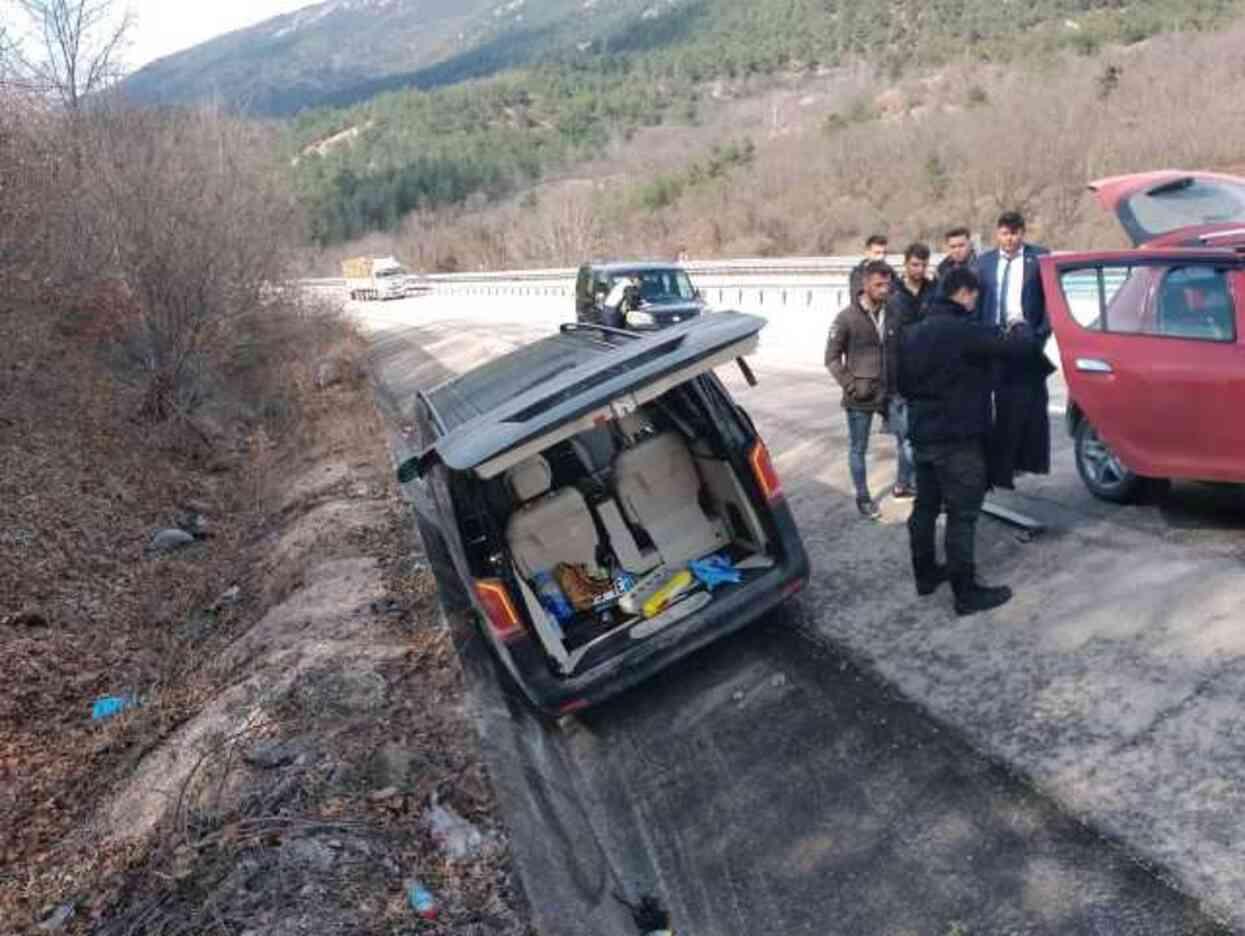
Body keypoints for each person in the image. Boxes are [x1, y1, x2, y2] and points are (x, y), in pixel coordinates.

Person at [898, 266, 1042, 615]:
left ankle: (926, 574)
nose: (975, 302)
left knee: (926, 507)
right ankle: (966, 593)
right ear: (963, 293)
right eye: (974, 296)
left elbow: (900, 384)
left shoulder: (912, 333)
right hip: (958, 439)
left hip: (922, 435)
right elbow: (1019, 349)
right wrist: (1019, 325)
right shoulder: (963, 331)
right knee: (963, 515)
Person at [826, 260, 893, 519]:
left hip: (891, 392)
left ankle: (906, 485)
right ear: (865, 285)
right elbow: (831, 359)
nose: (884, 290)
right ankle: (863, 497)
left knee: (909, 441)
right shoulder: (846, 318)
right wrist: (852, 386)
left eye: (887, 284)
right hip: (861, 395)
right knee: (858, 449)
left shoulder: (892, 312)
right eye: (878, 285)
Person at [882, 242, 936, 499]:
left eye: (924, 264)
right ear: (905, 264)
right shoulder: (893, 296)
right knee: (906, 438)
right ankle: (914, 484)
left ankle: (903, 483)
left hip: (929, 374)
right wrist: (890, 388)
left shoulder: (933, 292)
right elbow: (889, 345)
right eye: (915, 264)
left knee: (922, 436)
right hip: (902, 378)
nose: (920, 269)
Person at [976, 211, 1049, 336]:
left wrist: (1041, 333)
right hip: (991, 333)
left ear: (1022, 233)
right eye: (1004, 234)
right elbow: (978, 298)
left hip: (1026, 333)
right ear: (998, 234)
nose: (1009, 238)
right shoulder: (984, 262)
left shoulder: (1039, 258)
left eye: (1014, 233)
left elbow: (1050, 297)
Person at [848, 234, 895, 301]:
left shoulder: (891, 273)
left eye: (884, 253)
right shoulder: (858, 274)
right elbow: (857, 299)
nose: (881, 257)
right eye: (877, 253)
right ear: (867, 253)